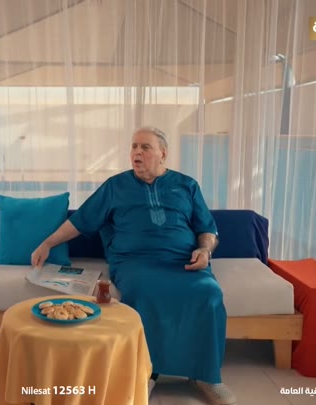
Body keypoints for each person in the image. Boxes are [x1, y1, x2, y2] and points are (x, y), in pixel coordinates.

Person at [31, 127, 236, 405]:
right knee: (141, 292)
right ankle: (145, 373)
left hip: (182, 261)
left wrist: (205, 250)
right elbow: (81, 220)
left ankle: (207, 376)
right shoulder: (115, 186)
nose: (136, 152)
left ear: (163, 153)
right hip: (134, 262)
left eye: (145, 147)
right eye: (134, 147)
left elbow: (207, 229)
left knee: (209, 293)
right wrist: (47, 243)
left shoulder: (187, 185)